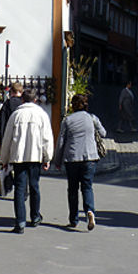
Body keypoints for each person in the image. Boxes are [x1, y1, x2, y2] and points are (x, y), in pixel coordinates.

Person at [0, 88, 54, 234]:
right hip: (35, 155)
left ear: (22, 99)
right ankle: (35, 216)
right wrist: (47, 157)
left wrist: (4, 159)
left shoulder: (16, 114)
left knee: (20, 188)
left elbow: (7, 139)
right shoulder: (41, 114)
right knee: (34, 186)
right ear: (35, 100)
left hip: (18, 156)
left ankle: (20, 222)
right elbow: (47, 138)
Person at [54, 94, 106, 230]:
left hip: (72, 158)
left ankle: (74, 219)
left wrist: (57, 160)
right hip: (89, 157)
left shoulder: (67, 120)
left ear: (72, 106)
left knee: (72, 189)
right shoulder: (92, 118)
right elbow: (103, 133)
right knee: (87, 187)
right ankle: (90, 211)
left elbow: (61, 142)